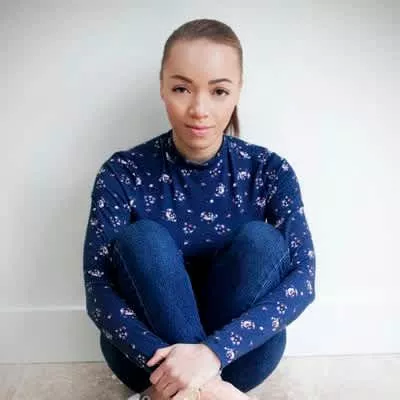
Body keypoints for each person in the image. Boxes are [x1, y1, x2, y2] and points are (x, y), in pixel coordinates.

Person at [82, 18, 316, 400]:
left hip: (240, 358)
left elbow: (303, 280)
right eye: (181, 89)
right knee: (143, 239)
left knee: (262, 241)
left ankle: (172, 395)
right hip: (146, 360)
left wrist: (212, 354)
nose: (199, 109)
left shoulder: (270, 171)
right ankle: (210, 394)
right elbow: (97, 289)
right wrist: (183, 372)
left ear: (238, 91)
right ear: (161, 86)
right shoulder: (122, 173)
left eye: (219, 91)